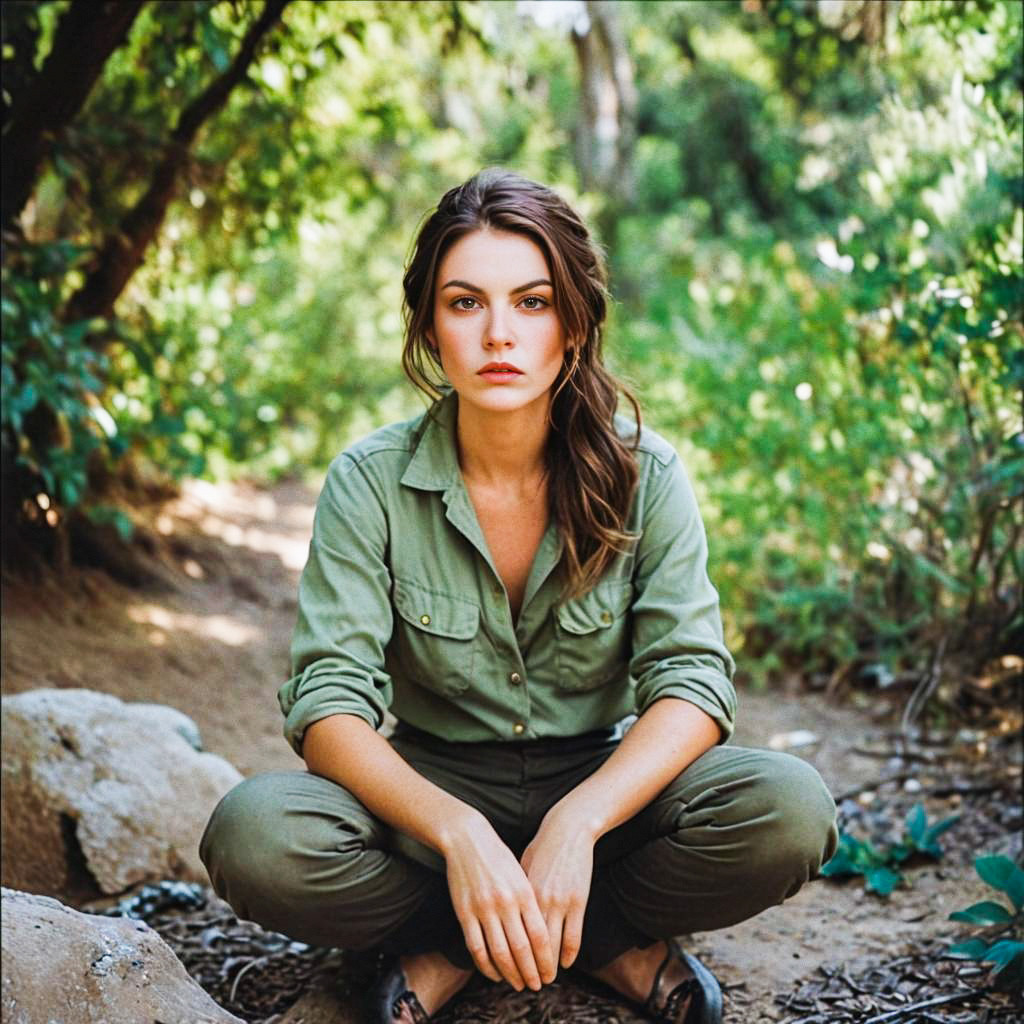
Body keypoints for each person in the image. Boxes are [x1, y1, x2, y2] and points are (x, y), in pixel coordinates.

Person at [200, 168, 838, 1024]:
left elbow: (691, 685)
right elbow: (329, 708)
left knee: (789, 811)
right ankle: (560, 938)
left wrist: (577, 826)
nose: (499, 333)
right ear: (430, 323)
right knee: (254, 833)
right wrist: (459, 835)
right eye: (465, 303)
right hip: (429, 798)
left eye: (532, 302)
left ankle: (508, 944)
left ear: (572, 324)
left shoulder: (649, 475)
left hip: (607, 790)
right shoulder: (368, 481)